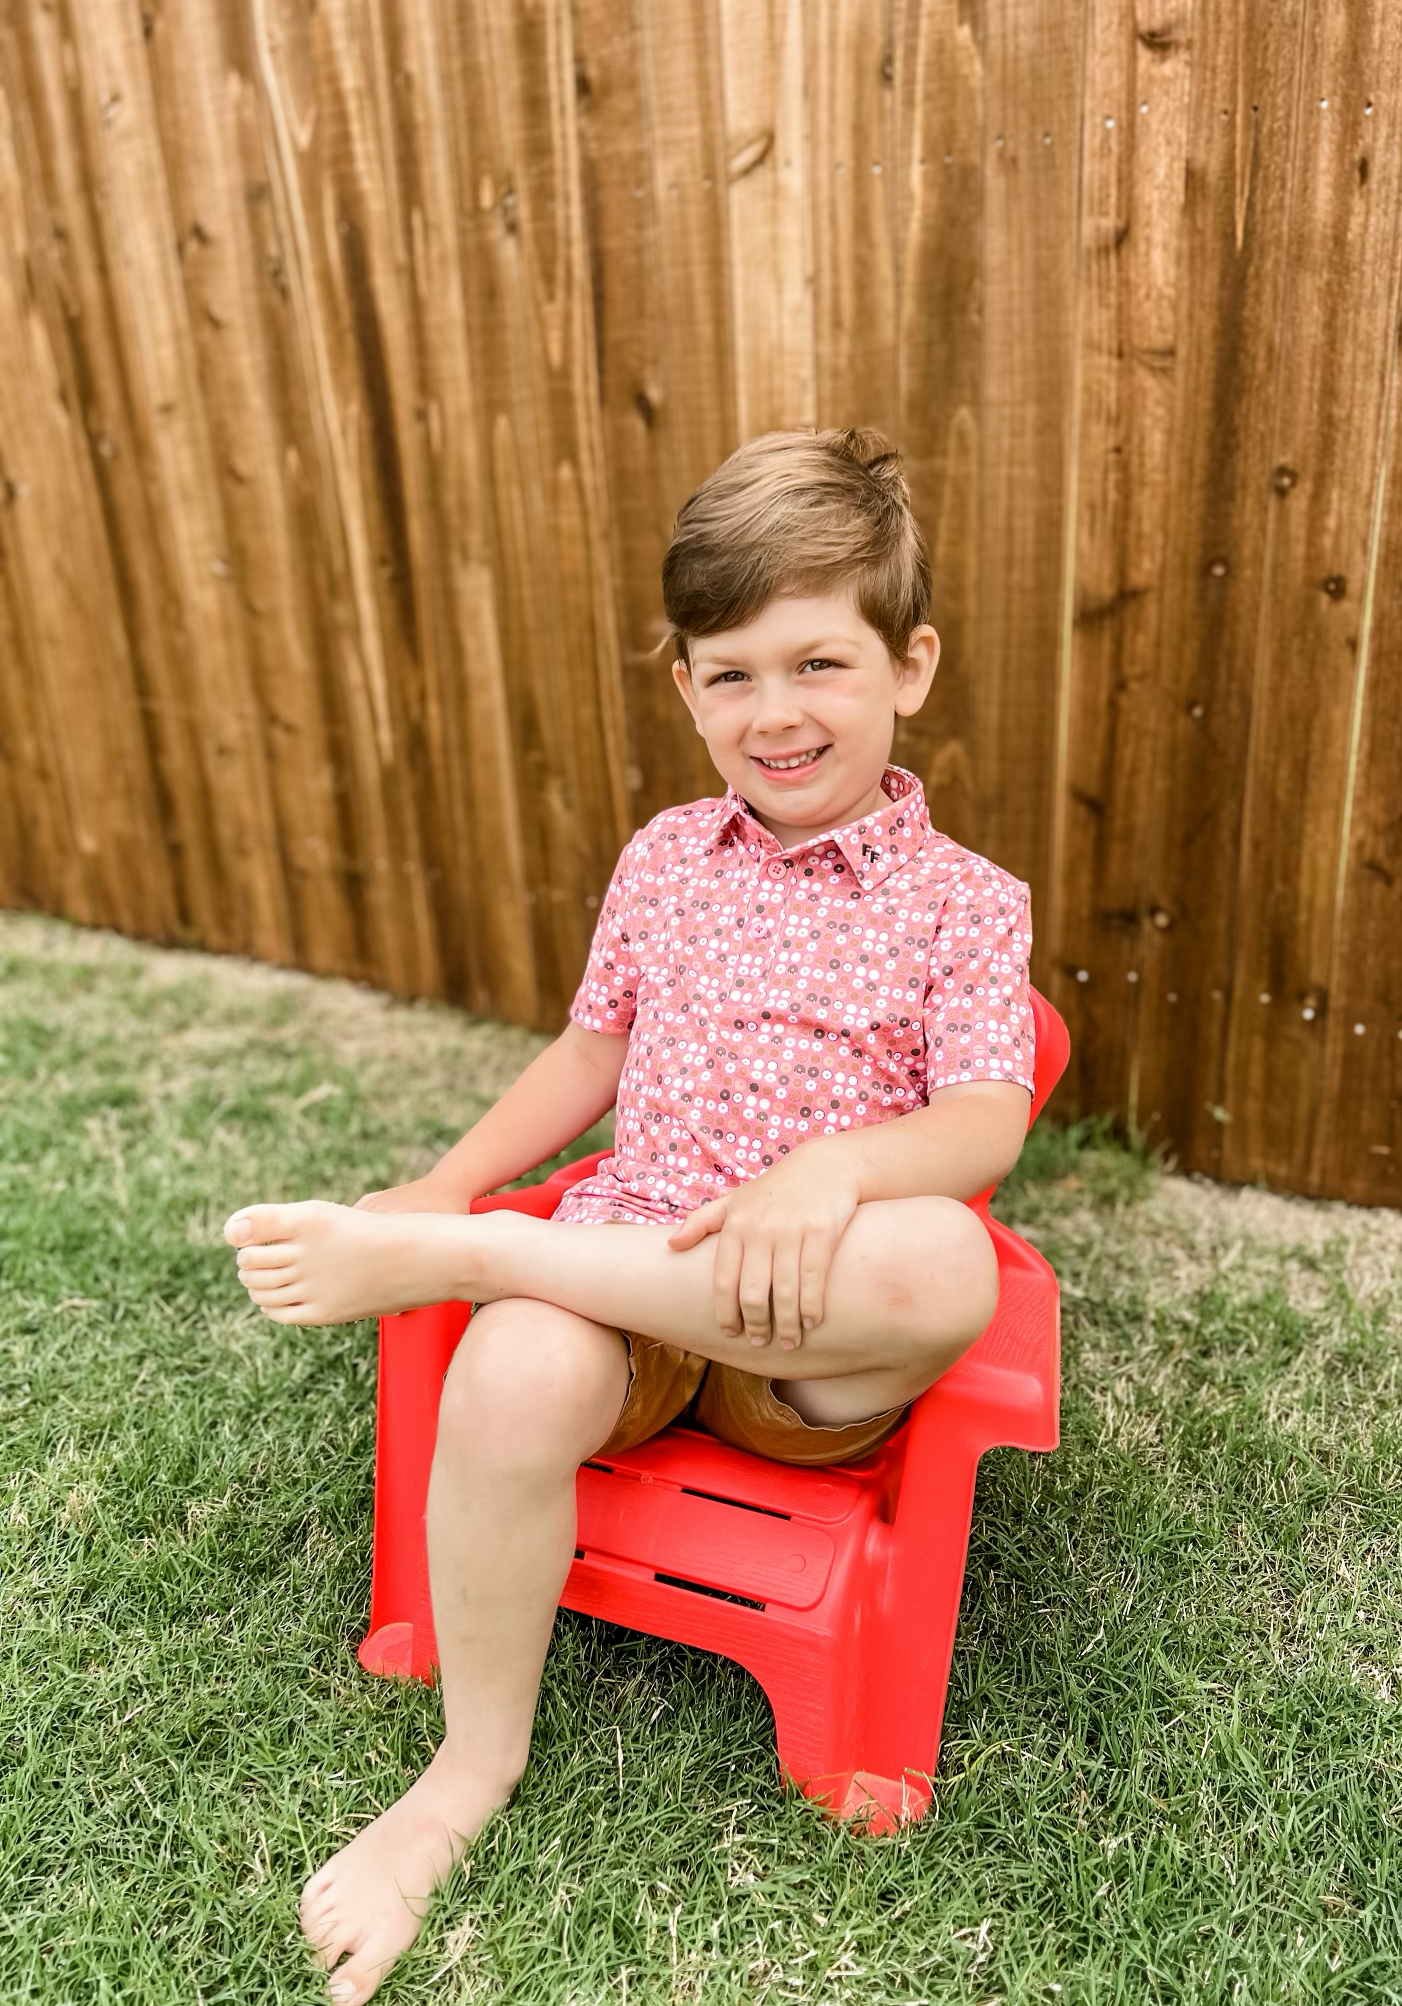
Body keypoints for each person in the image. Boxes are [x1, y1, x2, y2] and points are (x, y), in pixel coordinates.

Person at [224, 428, 1036, 2005]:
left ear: (910, 665)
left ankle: (484, 1262)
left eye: (817, 661)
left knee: (948, 1260)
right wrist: (453, 1171)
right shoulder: (668, 860)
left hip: (802, 1337)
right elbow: (593, 1051)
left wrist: (835, 1173)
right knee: (514, 1369)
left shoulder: (965, 901)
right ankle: (469, 1768)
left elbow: (987, 1119)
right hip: (619, 1276)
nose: (774, 711)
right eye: (728, 674)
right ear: (684, 688)